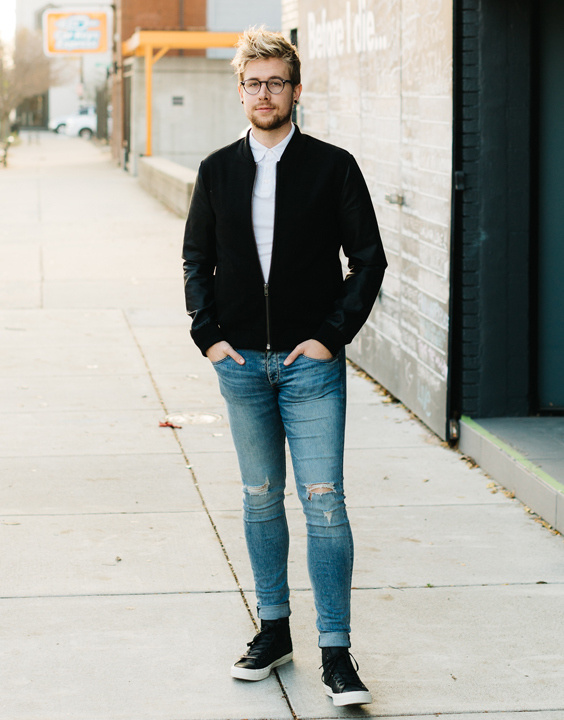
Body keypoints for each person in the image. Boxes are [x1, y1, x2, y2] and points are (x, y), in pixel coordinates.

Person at [182, 27, 387, 707]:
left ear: (295, 90)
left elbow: (369, 260)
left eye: (275, 81)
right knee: (260, 499)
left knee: (324, 505)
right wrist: (208, 336)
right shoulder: (216, 170)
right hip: (240, 365)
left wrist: (332, 336)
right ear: (239, 90)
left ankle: (337, 652)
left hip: (310, 367)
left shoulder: (333, 167)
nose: (263, 93)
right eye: (253, 82)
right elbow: (195, 261)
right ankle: (274, 631)